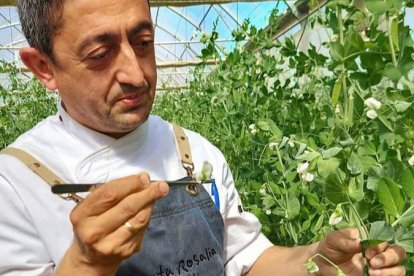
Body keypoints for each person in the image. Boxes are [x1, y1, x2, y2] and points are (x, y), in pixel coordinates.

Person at [0, 0, 406, 275]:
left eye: (143, 44)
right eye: (100, 54)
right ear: (43, 68)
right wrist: (86, 264)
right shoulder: (15, 183)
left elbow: (249, 259)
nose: (137, 74)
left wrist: (318, 260)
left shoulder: (192, 149)